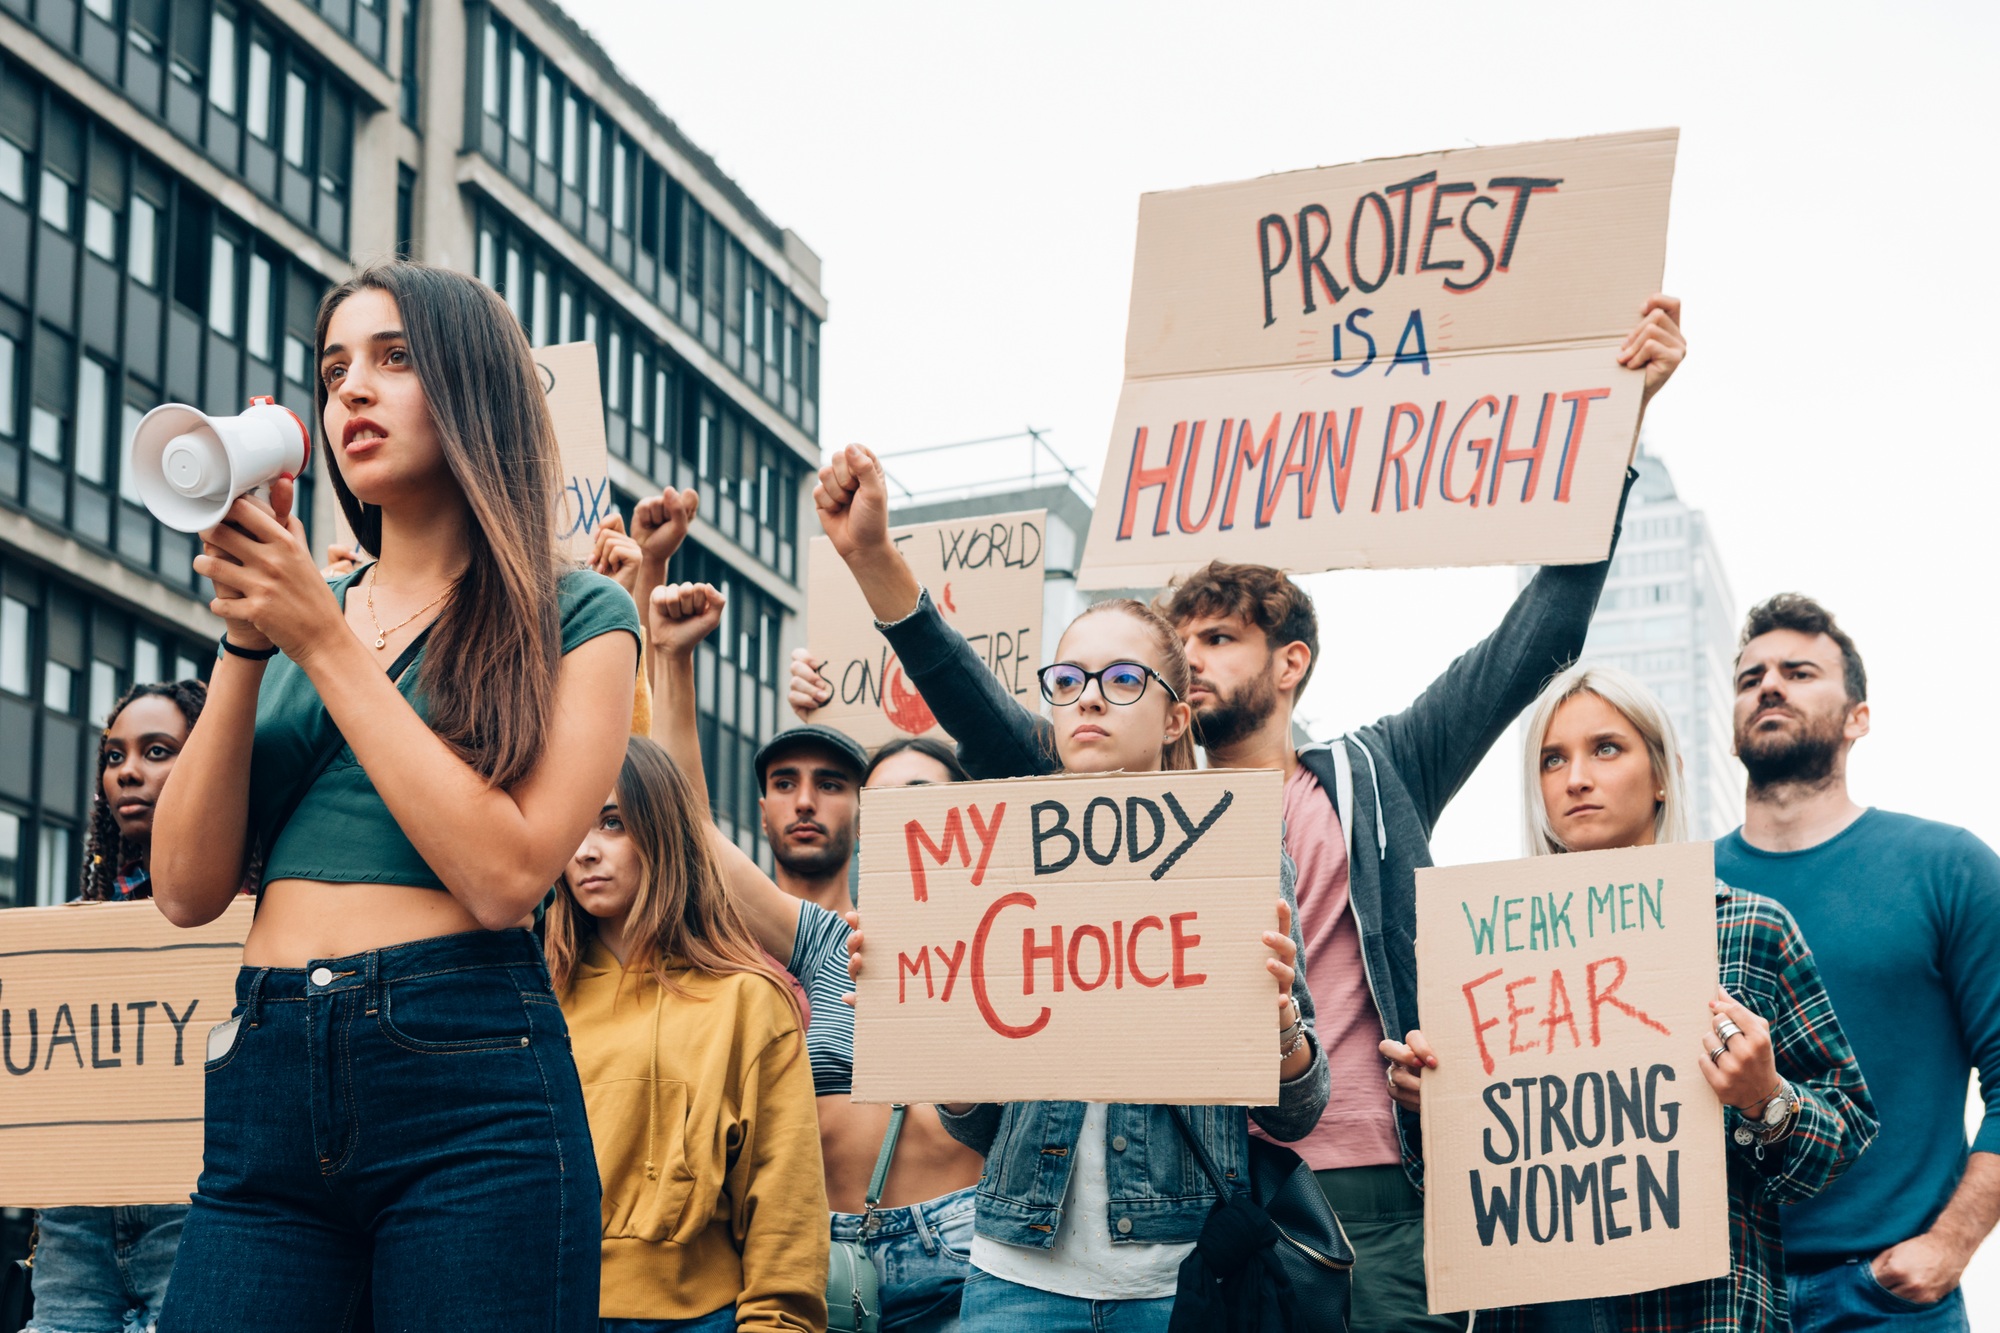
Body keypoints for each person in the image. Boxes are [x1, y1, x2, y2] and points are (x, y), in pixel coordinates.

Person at [788, 296, 1688, 1332]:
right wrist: (876, 566)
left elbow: (1534, 637)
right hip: (1214, 1202)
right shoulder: (1104, 814)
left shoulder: (1377, 770)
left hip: (1369, 1186)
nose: (1193, 656)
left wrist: (1616, 432)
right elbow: (980, 715)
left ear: (1289, 660)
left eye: (1215, 637)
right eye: (1180, 642)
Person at [149, 260, 640, 1332]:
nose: (350, 393)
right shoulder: (295, 609)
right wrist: (248, 636)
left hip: (467, 1078)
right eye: (333, 371)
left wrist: (321, 640)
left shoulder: (581, 614)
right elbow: (183, 887)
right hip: (267, 1072)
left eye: (393, 358)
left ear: (474, 388)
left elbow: (508, 874)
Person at [808, 452, 1327, 1332]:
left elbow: (1299, 1106)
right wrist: (924, 1019)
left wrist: (1279, 1031)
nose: (1090, 699)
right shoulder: (1003, 854)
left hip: (1182, 1280)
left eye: (1124, 680)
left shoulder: (1237, 848)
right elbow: (975, 1129)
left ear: (1173, 716)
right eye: (1068, 680)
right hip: (1014, 1278)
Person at [1381, 664, 1877, 1331]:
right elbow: (1439, 1185)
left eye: (1605, 748)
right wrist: (1428, 1104)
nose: (1575, 777)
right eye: (1553, 759)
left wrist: (1768, 1097)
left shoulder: (1748, 928)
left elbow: (1847, 1128)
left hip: (1697, 1313)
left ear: (1663, 772)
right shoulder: (1485, 952)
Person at [650, 581, 986, 1333]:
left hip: (960, 1263)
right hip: (816, 1261)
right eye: (889, 801)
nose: (910, 819)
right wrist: (671, 661)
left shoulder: (1015, 958)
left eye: (928, 798)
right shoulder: (835, 940)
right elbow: (691, 840)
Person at [1713, 595, 2000, 1331]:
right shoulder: (1677, 889)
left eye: (1798, 671)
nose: (1768, 685)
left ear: (1858, 717)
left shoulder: (1949, 868)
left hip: (1886, 1298)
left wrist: (1950, 1244)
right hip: (1721, 1297)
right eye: (1749, 678)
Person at [549, 734, 827, 1333]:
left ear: (663, 831)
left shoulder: (748, 1000)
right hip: (547, 1306)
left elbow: (786, 1212)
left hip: (704, 1318)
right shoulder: (536, 999)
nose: (586, 851)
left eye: (613, 823)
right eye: (572, 825)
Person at [24, 682, 244, 1333]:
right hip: (76, 1224)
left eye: (157, 750)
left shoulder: (260, 916)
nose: (128, 771)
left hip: (197, 1214)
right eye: (114, 754)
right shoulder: (81, 926)